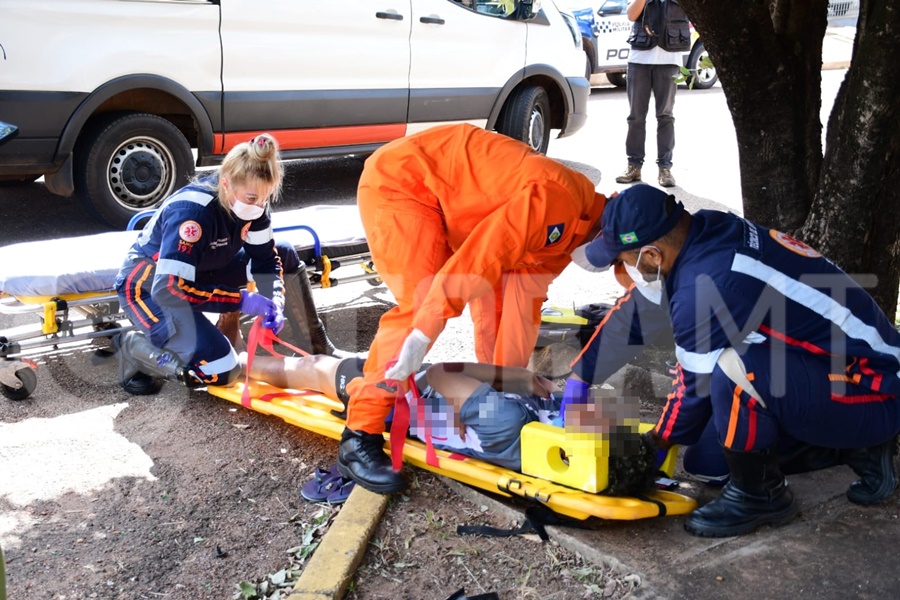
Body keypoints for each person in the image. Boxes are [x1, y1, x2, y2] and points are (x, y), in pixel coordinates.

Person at [566, 183, 900, 537]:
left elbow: (694, 389)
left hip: (874, 387)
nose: (623, 267)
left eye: (622, 259)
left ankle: (763, 498)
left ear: (652, 256)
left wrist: (654, 443)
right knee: (707, 463)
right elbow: (641, 312)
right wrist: (582, 376)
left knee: (733, 367)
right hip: (828, 372)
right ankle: (859, 448)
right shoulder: (701, 235)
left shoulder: (706, 284)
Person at [336, 123, 608, 494]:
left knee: (487, 302)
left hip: (449, 198)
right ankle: (359, 436)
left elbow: (516, 307)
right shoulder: (554, 203)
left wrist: (509, 388)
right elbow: (478, 261)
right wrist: (423, 332)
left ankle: (364, 390)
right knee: (420, 306)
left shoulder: (574, 230)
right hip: (404, 182)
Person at [114, 134, 340, 394]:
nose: (260, 207)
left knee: (286, 252)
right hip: (151, 288)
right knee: (219, 369)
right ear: (226, 184)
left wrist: (274, 298)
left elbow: (266, 259)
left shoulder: (254, 203)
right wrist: (241, 300)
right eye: (253, 198)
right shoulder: (192, 214)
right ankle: (135, 348)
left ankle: (317, 347)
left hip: (202, 271)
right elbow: (170, 289)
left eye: (265, 199)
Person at [245, 354, 658, 496]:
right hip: (430, 391)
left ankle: (239, 366)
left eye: (605, 418)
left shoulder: (512, 423)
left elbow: (443, 372)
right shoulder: (546, 432)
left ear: (588, 439)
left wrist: (516, 378)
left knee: (317, 369)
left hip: (396, 397)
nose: (604, 407)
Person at [614, 0, 690, 188]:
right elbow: (632, 15)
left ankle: (665, 169)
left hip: (670, 61)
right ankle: (634, 165)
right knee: (636, 117)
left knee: (665, 116)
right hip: (639, 60)